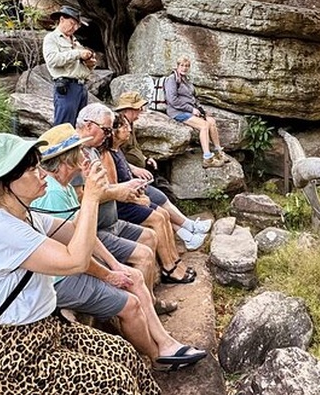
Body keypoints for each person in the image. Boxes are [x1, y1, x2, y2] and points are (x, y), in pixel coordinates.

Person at [0, 132, 160, 395]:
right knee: (114, 381)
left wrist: (95, 193)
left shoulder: (27, 216)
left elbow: (78, 234)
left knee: (122, 352)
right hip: (14, 357)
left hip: (46, 332)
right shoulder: (4, 230)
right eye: (32, 169)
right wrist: (91, 198)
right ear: (5, 183)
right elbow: (75, 260)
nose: (43, 173)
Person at [31, 124, 208, 366]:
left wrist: (115, 265)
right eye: (78, 151)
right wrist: (109, 274)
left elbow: (82, 234)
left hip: (75, 264)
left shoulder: (63, 186)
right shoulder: (53, 194)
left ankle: (166, 342)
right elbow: (74, 253)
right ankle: (157, 358)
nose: (84, 154)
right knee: (130, 302)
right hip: (60, 277)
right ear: (66, 160)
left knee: (133, 275)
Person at [77, 104, 196, 283]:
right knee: (157, 218)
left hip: (113, 217)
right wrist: (124, 191)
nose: (108, 135)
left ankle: (173, 262)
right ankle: (169, 267)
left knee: (161, 216)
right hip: (107, 221)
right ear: (88, 125)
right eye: (106, 130)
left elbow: (107, 186)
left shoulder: (95, 150)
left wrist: (129, 187)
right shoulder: (81, 155)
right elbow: (88, 195)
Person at [114, 91, 213, 247]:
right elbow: (118, 156)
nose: (140, 112)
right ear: (128, 110)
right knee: (159, 202)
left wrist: (145, 158)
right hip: (131, 180)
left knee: (163, 198)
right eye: (138, 109)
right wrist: (133, 169)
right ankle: (188, 232)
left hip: (140, 174)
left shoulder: (129, 126)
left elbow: (134, 149)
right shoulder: (119, 129)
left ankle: (189, 230)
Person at [164, 56, 229, 168]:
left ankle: (219, 152)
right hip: (177, 112)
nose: (184, 68)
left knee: (211, 121)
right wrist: (191, 109)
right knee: (204, 125)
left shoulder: (186, 80)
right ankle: (207, 158)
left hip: (190, 110)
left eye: (187, 66)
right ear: (177, 66)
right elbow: (172, 100)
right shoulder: (172, 79)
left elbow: (193, 98)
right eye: (182, 65)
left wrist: (202, 111)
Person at [43, 5, 95, 127]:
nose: (75, 28)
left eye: (77, 25)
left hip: (81, 87)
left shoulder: (75, 41)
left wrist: (90, 64)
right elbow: (52, 60)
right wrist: (78, 54)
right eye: (72, 23)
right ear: (62, 20)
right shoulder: (51, 38)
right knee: (64, 127)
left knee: (80, 127)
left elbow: (81, 66)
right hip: (66, 87)